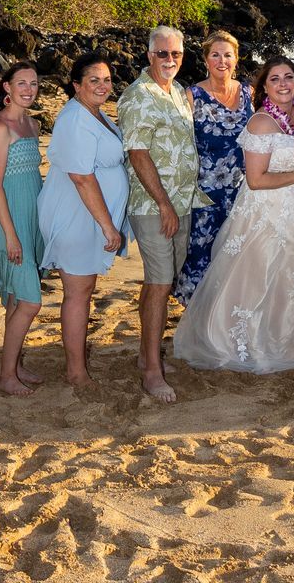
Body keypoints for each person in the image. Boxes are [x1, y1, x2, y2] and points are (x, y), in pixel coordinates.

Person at [173, 55, 294, 373]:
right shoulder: (261, 122)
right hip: (267, 209)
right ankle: (250, 341)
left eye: (288, 77)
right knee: (261, 275)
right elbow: (256, 179)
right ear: (264, 86)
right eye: (275, 79)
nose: (283, 84)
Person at [118, 25, 205, 403]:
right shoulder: (138, 96)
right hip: (154, 206)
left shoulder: (177, 93)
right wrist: (165, 205)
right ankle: (152, 371)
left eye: (176, 54)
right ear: (148, 55)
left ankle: (144, 354)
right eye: (162, 54)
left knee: (162, 282)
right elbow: (137, 154)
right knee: (159, 281)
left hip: (184, 200)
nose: (170, 60)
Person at [38, 53, 128, 389]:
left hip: (88, 213)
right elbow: (82, 177)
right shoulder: (76, 118)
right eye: (94, 80)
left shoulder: (98, 113)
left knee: (84, 289)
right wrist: (107, 225)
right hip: (76, 214)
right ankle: (76, 371)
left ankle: (76, 365)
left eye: (106, 79)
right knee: (77, 293)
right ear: (76, 86)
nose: (103, 85)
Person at [176, 31, 254, 303]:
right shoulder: (192, 96)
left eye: (228, 55)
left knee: (236, 258)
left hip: (243, 192)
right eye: (215, 55)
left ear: (236, 59)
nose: (222, 61)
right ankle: (198, 324)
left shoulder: (248, 91)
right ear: (206, 60)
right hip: (204, 194)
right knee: (201, 256)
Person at [0, 62, 46, 396]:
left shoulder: (33, 124)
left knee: (14, 299)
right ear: (6, 87)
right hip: (9, 219)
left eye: (33, 83)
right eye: (21, 83)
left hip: (31, 214)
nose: (28, 89)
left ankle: (15, 364)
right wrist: (10, 234)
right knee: (29, 301)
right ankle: (6, 375)